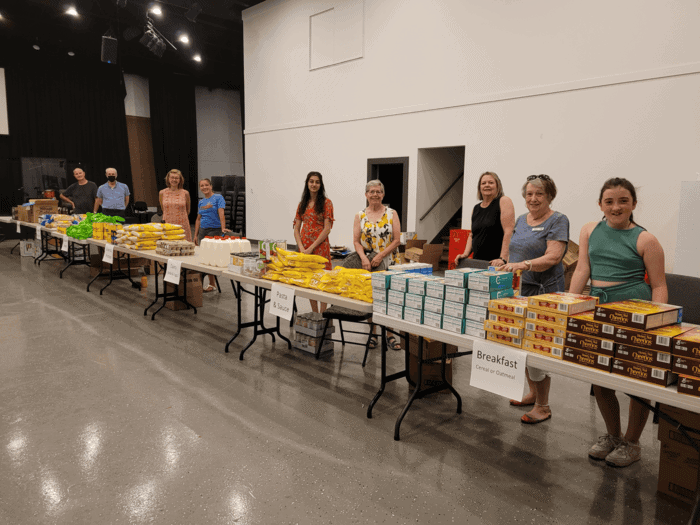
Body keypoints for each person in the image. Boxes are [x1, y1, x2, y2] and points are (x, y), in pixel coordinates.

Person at [569, 177, 667, 468]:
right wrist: (569, 304)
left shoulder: (646, 239)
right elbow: (583, 268)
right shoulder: (589, 230)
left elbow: (659, 285)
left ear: (633, 204)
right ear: (600, 204)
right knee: (600, 376)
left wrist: (657, 322)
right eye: (609, 201)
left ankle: (632, 442)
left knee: (636, 378)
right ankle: (613, 435)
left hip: (634, 309)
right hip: (599, 308)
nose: (616, 206)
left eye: (623, 200)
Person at [498, 174, 569, 424]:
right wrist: (505, 262)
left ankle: (543, 406)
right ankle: (533, 393)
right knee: (521, 345)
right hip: (521, 290)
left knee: (538, 347)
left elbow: (553, 257)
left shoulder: (558, 220)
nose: (533, 198)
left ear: (550, 196)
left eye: (539, 194)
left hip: (545, 292)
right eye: (529, 194)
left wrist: (523, 264)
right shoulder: (521, 219)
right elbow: (516, 250)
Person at [352, 179, 401, 350]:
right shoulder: (360, 215)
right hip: (368, 264)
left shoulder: (391, 213)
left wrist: (380, 255)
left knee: (389, 298)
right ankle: (372, 333)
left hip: (388, 261)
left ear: (383, 194)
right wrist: (364, 259)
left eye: (378, 192)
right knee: (371, 297)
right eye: (371, 192)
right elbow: (356, 242)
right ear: (366, 195)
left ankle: (390, 334)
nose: (375, 194)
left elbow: (396, 240)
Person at [293, 172, 334, 313]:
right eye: (311, 181)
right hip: (304, 248)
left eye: (317, 182)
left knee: (322, 280)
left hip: (320, 247)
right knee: (310, 281)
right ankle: (315, 314)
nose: (314, 184)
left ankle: (323, 315)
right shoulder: (302, 204)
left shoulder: (326, 203)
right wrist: (301, 247)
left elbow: (327, 228)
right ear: (307, 183)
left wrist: (311, 247)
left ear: (321, 184)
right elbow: (296, 228)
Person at [454, 171, 515, 266]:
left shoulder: (503, 201)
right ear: (480, 188)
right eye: (483, 183)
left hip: (496, 263)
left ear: (497, 186)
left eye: (491, 182)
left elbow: (509, 231)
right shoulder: (476, 208)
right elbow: (472, 234)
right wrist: (465, 254)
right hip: (478, 261)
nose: (487, 185)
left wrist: (502, 258)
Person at [194, 178, 231, 292]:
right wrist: (195, 235)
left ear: (211, 186)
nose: (204, 187)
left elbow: (221, 213)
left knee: (210, 257)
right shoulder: (201, 202)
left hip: (215, 230)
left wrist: (223, 227)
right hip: (203, 230)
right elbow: (198, 219)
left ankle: (212, 284)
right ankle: (198, 284)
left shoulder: (218, 198)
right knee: (203, 257)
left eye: (206, 185)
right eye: (202, 186)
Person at [159, 169, 192, 242]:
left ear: (180, 180)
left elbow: (188, 210)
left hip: (182, 224)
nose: (174, 180)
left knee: (184, 248)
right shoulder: (162, 193)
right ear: (168, 179)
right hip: (167, 224)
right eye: (172, 177)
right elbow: (163, 208)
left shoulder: (185, 193)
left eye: (176, 178)